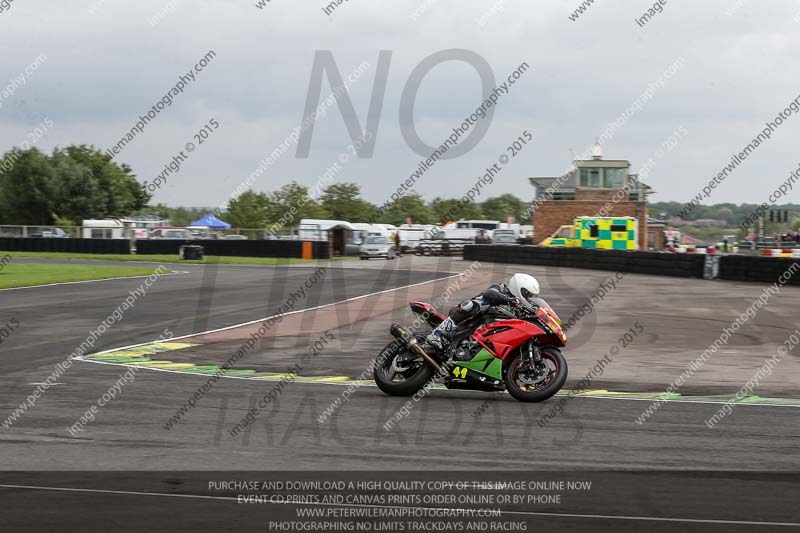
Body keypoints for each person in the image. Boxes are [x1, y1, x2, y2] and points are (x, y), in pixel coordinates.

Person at [425, 273, 543, 356]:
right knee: (472, 306)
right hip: (467, 317)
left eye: (530, 296)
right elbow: (489, 294)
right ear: (519, 288)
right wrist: (511, 301)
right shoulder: (500, 288)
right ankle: (437, 334)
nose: (528, 298)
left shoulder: (518, 309)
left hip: (485, 334)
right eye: (527, 294)